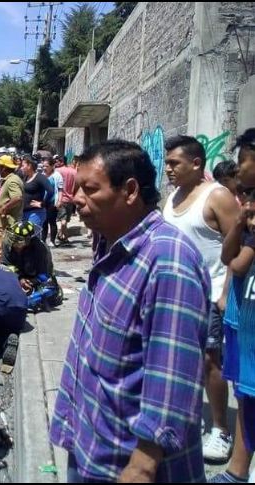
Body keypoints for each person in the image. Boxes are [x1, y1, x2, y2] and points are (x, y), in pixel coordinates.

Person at [49, 140, 210, 482]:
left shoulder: (167, 261)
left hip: (125, 465)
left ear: (130, 190)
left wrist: (143, 463)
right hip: (91, 446)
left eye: (90, 189)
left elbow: (173, 373)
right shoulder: (112, 244)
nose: (77, 198)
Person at [162, 135, 240, 463]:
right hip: (180, 295)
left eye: (174, 163)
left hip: (213, 294)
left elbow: (242, 242)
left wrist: (225, 293)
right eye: (166, 163)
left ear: (196, 164)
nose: (168, 169)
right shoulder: (173, 196)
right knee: (181, 360)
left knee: (211, 362)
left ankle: (221, 429)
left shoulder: (217, 196)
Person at [211, 128, 255, 484]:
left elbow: (239, 263)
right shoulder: (247, 208)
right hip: (244, 314)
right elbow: (229, 257)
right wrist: (241, 221)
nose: (238, 169)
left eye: (243, 161)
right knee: (246, 396)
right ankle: (237, 473)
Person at [2, 220, 62, 310]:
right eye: (12, 238)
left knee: (49, 293)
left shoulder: (40, 249)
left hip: (35, 277)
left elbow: (44, 274)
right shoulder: (7, 243)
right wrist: (20, 279)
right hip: (18, 276)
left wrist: (33, 281)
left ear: (28, 240)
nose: (13, 242)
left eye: (18, 240)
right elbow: (7, 265)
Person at [0, 155, 25, 261]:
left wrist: (4, 208)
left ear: (4, 168)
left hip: (6, 223)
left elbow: (17, 197)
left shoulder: (12, 181)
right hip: (4, 223)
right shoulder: (11, 179)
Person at [21, 156, 54, 228]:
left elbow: (51, 191)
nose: (21, 168)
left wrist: (42, 204)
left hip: (35, 213)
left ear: (29, 166)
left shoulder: (40, 177)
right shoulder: (25, 177)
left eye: (23, 165)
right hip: (24, 213)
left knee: (33, 237)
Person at [56, 155, 79, 244]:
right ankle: (64, 237)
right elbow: (77, 185)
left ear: (61, 162)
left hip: (59, 199)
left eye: (57, 161)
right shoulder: (74, 172)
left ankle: (61, 234)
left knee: (61, 219)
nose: (56, 163)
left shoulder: (56, 171)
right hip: (70, 199)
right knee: (65, 219)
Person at [42, 158, 63, 246]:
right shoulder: (42, 175)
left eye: (46, 166)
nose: (44, 168)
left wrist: (59, 201)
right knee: (44, 221)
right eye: (43, 166)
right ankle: (43, 240)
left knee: (52, 221)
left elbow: (60, 189)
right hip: (43, 202)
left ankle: (52, 241)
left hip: (52, 201)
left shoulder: (57, 176)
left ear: (52, 166)